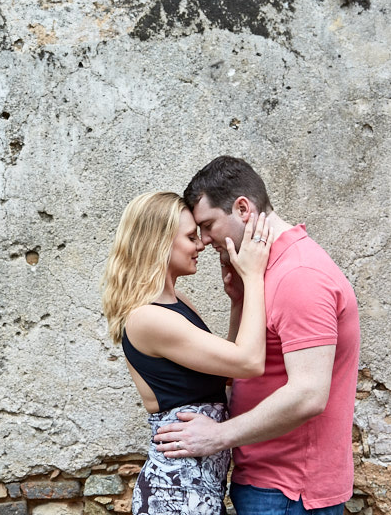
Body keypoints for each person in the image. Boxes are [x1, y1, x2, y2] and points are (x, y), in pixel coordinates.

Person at [153, 156, 361, 514]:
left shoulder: (300, 276)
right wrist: (239, 301)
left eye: (207, 225)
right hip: (266, 482)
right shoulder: (267, 269)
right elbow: (244, 368)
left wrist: (218, 436)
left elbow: (309, 394)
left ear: (243, 208)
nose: (204, 240)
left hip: (290, 491)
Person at [102, 191, 273, 515]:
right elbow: (250, 362)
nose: (201, 245)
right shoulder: (148, 318)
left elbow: (226, 370)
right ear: (160, 242)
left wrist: (238, 301)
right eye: (191, 237)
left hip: (200, 492)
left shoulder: (175, 303)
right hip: (176, 496)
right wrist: (254, 277)